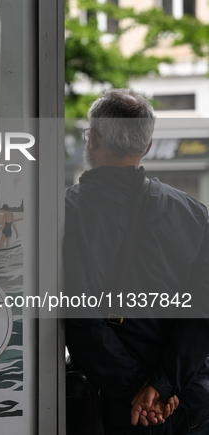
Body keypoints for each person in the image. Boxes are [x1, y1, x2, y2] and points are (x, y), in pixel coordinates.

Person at [64, 89, 209, 434]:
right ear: (146, 146)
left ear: (93, 139)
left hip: (115, 407)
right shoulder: (195, 214)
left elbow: (79, 315)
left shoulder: (67, 212)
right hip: (187, 404)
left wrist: (138, 392)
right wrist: (163, 386)